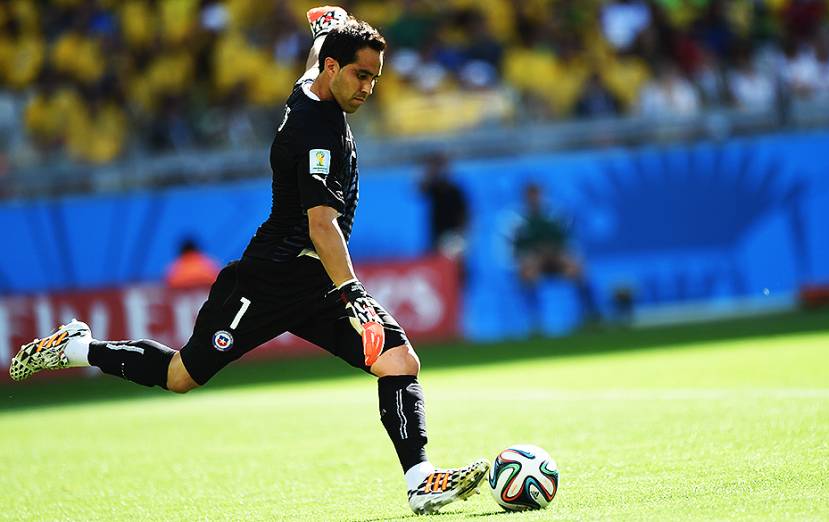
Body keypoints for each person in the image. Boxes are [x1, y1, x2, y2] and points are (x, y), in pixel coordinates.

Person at [9, 7, 487, 516]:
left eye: (375, 77)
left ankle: (420, 481)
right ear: (332, 68)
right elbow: (321, 226)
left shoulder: (311, 84)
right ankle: (81, 348)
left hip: (314, 279)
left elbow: (313, 57)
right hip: (271, 277)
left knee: (399, 360)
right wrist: (356, 296)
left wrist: (327, 25)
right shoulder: (316, 133)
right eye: (361, 75)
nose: (368, 88)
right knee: (181, 374)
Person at [512, 183, 598, 327]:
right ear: (525, 198)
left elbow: (565, 242)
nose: (535, 199)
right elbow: (516, 249)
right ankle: (534, 320)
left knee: (578, 269)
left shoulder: (553, 217)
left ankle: (590, 314)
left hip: (555, 258)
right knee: (527, 273)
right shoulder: (518, 220)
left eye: (537, 195)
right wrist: (535, 253)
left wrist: (553, 251)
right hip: (535, 260)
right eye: (531, 196)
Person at [418, 152, 469, 262]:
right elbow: (420, 189)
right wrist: (431, 170)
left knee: (454, 265)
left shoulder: (456, 190)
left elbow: (465, 214)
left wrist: (460, 233)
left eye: (444, 168)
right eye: (440, 168)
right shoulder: (434, 189)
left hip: (453, 236)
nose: (443, 172)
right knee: (437, 264)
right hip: (437, 236)